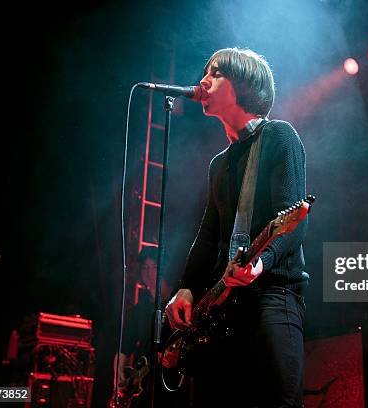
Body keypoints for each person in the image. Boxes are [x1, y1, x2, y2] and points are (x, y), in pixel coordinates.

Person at [164, 47, 308, 407]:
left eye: (215, 73)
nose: (203, 80)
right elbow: (208, 235)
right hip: (223, 307)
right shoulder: (219, 165)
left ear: (243, 83)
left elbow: (292, 223)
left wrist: (262, 262)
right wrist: (186, 289)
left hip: (273, 294)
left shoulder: (280, 138)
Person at [112, 247, 171, 407]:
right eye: (145, 267)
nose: (148, 272)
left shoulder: (173, 302)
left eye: (154, 267)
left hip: (167, 377)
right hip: (143, 378)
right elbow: (125, 346)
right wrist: (119, 376)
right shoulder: (141, 307)